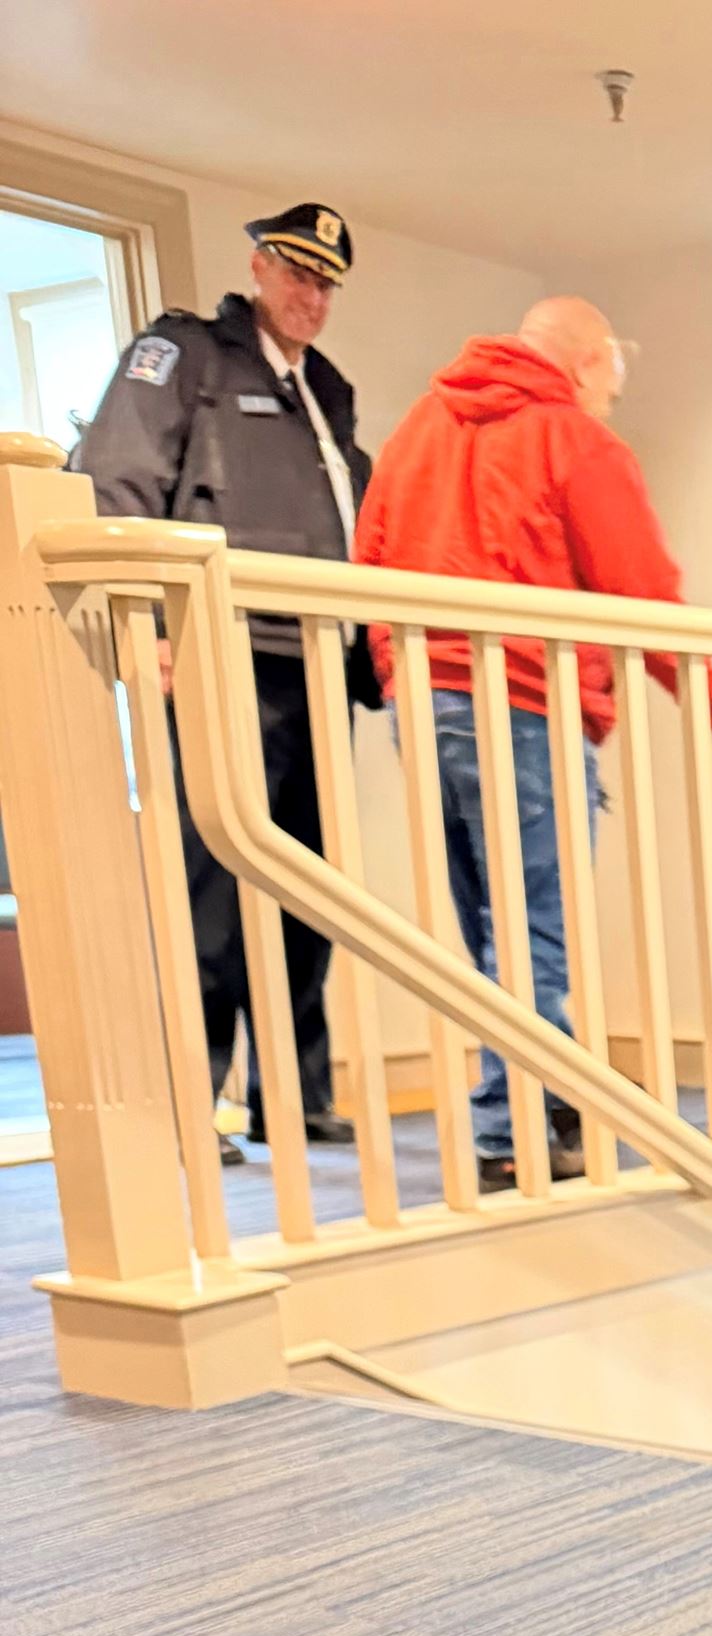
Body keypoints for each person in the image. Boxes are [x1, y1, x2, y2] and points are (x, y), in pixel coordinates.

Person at [354, 297, 712, 1191]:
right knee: (535, 928)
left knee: (491, 925)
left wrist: (399, 676)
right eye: (612, 382)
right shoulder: (572, 438)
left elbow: (366, 561)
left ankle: (527, 1105)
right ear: (590, 360)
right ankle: (514, 1130)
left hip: (428, 700)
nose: (610, 401)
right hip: (526, 703)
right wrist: (703, 693)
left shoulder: (419, 427)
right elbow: (639, 583)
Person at [74, 202, 376, 1163]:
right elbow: (115, 478)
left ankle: (295, 1094)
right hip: (218, 653)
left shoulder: (327, 389)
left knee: (308, 889)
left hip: (317, 663)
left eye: (326, 282)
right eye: (296, 273)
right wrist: (151, 627)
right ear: (258, 267)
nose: (311, 295)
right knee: (208, 885)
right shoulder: (186, 356)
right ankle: (189, 1102)